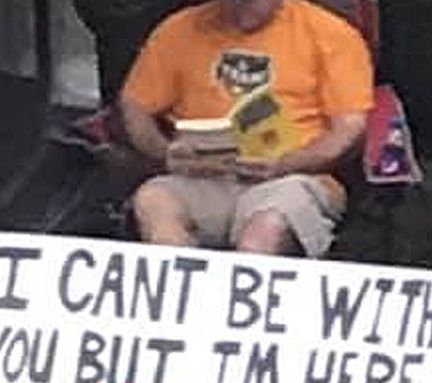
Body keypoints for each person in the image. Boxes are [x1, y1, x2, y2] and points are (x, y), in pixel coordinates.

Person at [119, 0, 373, 257]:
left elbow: (350, 128)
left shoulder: (329, 33)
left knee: (262, 234)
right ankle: (183, 291)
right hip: (203, 177)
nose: (241, 11)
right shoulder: (180, 29)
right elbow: (134, 106)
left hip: (292, 178)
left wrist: (289, 163)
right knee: (154, 203)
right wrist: (165, 153)